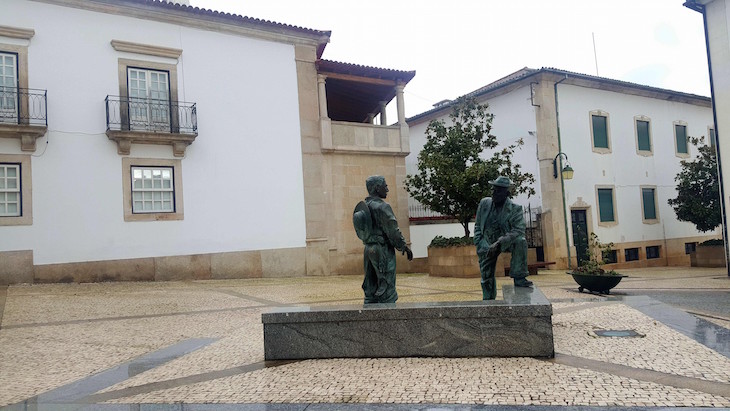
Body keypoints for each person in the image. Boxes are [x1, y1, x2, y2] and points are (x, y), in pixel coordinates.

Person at [353, 175, 413, 303]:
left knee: (370, 289)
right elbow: (393, 231)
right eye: (385, 186)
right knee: (386, 289)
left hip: (368, 249)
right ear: (376, 188)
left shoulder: (365, 207)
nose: (387, 189)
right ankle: (388, 320)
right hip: (382, 250)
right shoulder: (383, 207)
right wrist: (404, 247)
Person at [473, 176, 533, 300]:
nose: (494, 193)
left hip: (506, 242)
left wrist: (500, 243)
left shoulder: (515, 209)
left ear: (506, 193)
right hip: (486, 243)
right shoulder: (484, 203)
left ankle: (519, 277)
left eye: (498, 190)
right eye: (493, 189)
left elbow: (518, 230)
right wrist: (480, 243)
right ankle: (488, 301)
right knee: (486, 277)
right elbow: (478, 226)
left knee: (520, 241)